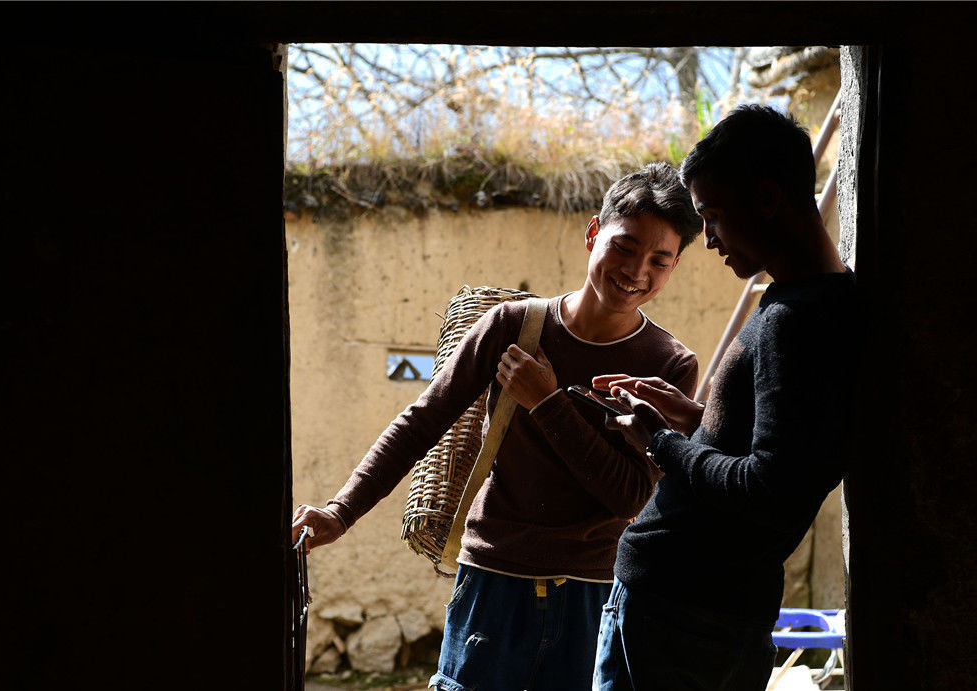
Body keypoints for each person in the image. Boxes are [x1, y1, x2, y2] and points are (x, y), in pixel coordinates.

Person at [291, 162, 703, 690]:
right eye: (624, 246)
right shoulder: (515, 326)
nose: (636, 271)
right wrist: (340, 511)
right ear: (593, 233)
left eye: (659, 260)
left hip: (592, 594)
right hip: (493, 582)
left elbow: (628, 496)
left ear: (673, 266)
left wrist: (547, 402)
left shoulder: (669, 365)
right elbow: (422, 422)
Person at [590, 105, 857, 690]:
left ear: (767, 198)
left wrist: (658, 441)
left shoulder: (795, 320)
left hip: (680, 611)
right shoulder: (824, 301)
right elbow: (782, 448)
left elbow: (767, 488)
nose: (707, 240)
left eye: (712, 215)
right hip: (714, 609)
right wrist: (698, 418)